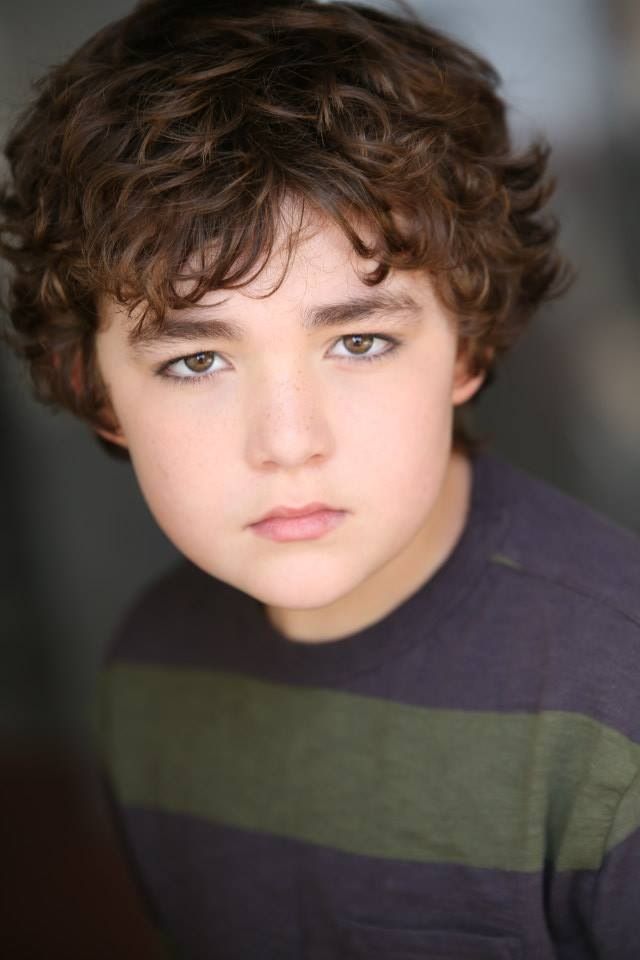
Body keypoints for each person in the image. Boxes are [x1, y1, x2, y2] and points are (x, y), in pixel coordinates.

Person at [1, 0, 639, 957]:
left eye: (360, 341)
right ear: (97, 391)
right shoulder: (149, 676)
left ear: (467, 343)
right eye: (197, 361)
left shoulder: (618, 706)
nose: (288, 442)